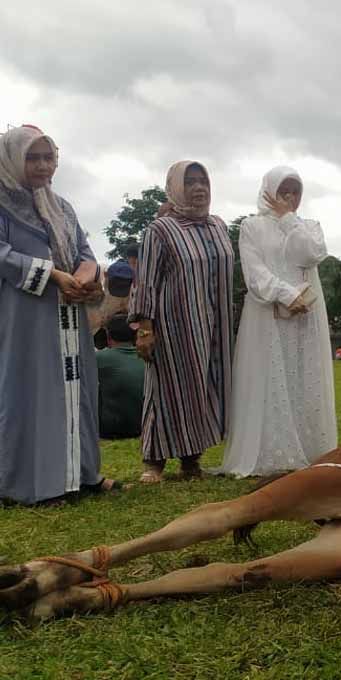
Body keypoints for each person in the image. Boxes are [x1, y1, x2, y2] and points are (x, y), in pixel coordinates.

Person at [0, 125, 113, 504]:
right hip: (24, 317)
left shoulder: (61, 206)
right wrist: (53, 275)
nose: (43, 165)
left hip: (68, 313)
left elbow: (83, 250)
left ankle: (82, 475)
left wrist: (85, 274)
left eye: (49, 157)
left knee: (76, 390)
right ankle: (35, 484)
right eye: (33, 157)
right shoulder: (2, 202)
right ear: (13, 158)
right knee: (34, 391)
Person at [219, 166, 337, 477]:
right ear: (269, 190)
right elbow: (254, 273)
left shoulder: (309, 225)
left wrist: (288, 219)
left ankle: (311, 448)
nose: (289, 197)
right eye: (283, 191)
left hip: (305, 316)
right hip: (267, 314)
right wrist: (285, 294)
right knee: (270, 377)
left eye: (295, 191)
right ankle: (271, 452)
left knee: (303, 376)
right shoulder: (251, 226)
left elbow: (311, 255)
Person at [128, 161, 234, 483]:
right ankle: (154, 462)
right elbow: (146, 280)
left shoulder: (218, 225)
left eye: (204, 181)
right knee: (165, 391)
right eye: (190, 182)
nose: (199, 188)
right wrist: (146, 328)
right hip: (175, 327)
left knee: (202, 389)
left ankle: (191, 461)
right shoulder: (160, 230)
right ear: (175, 187)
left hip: (215, 327)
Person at [96, 315, 145, 439]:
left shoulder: (100, 358)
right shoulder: (147, 356)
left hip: (112, 429)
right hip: (144, 425)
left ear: (108, 336)